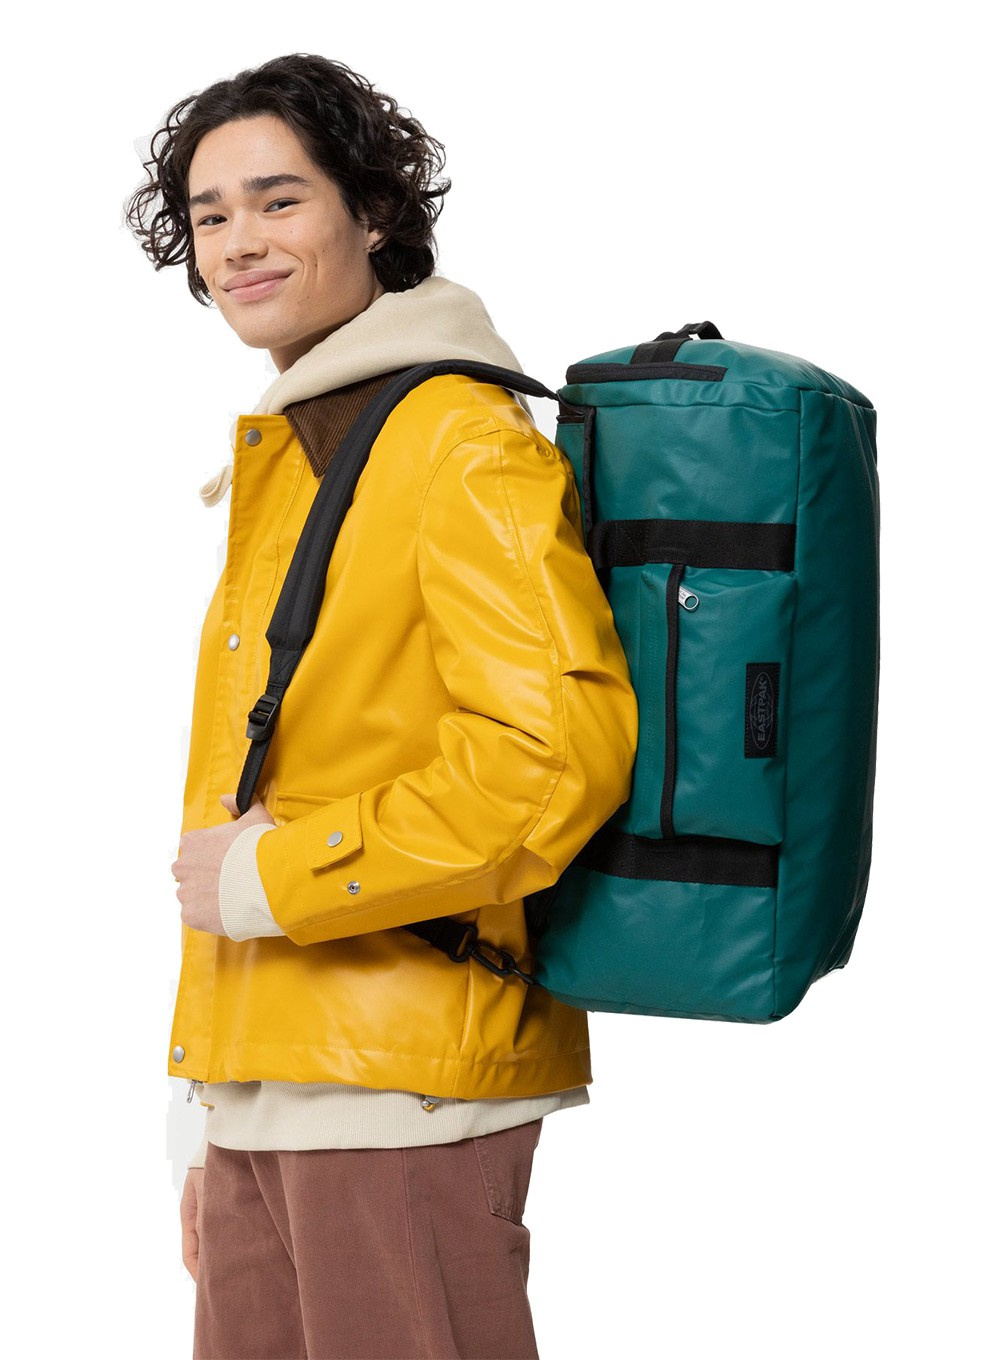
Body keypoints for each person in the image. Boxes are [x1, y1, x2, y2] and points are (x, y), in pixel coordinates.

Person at [125, 52, 638, 1360]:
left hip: (400, 1095)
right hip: (271, 1089)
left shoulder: (456, 439)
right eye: (211, 215)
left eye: (279, 199)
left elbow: (551, 763)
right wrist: (207, 1118)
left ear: (375, 213)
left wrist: (272, 880)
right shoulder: (311, 442)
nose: (239, 241)